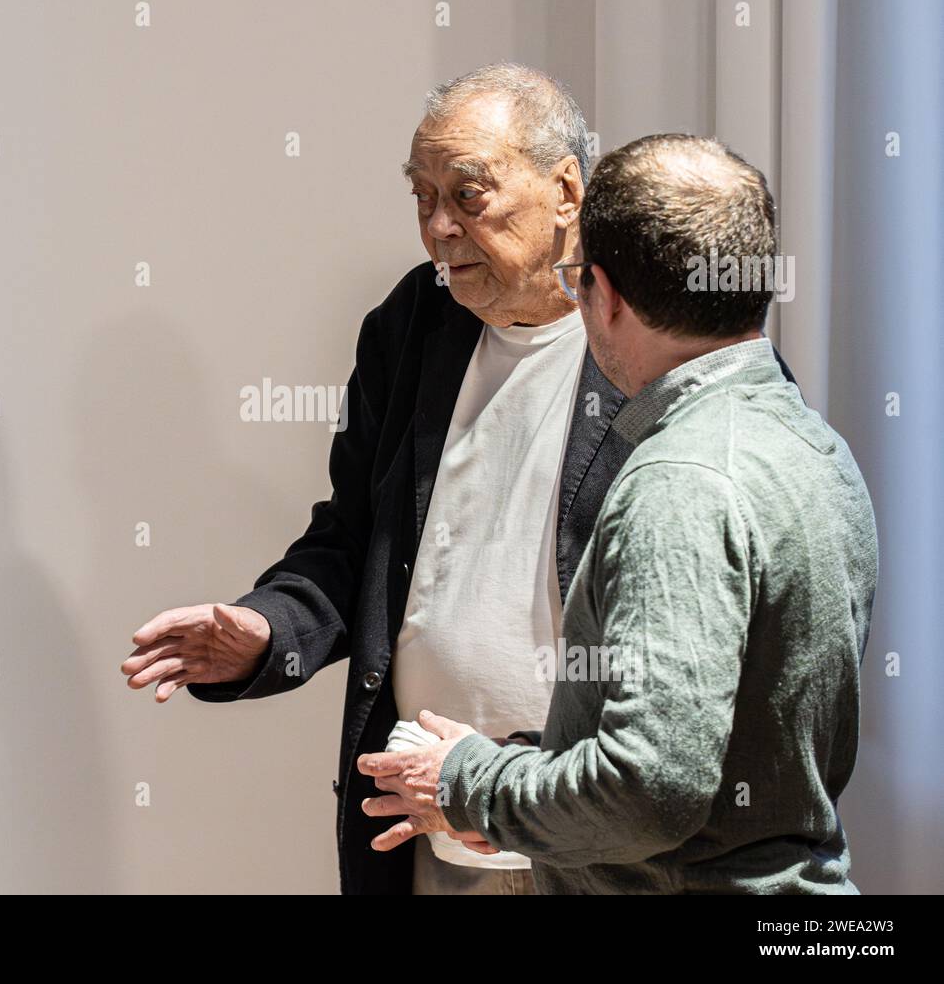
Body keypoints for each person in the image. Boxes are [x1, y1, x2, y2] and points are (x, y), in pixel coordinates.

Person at [358, 134, 878, 894]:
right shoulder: (811, 444)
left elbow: (647, 791)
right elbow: (720, 748)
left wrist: (468, 782)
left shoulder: (678, 483)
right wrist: (512, 772)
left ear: (603, 294)